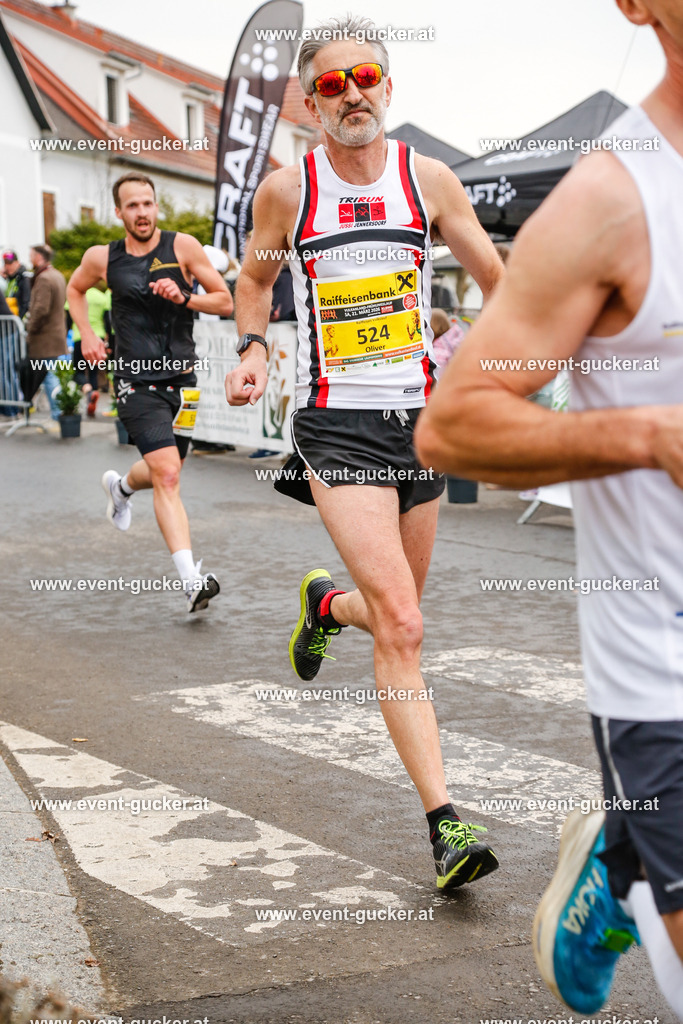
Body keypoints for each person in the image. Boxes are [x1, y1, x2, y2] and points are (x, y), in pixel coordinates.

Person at [415, 0, 683, 1015]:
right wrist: (648, 435)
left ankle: (615, 861)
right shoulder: (608, 201)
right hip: (662, 676)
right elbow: (456, 425)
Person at [225, 14, 505, 890]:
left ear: (389, 87)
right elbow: (255, 280)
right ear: (310, 104)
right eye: (333, 84)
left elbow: (502, 284)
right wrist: (251, 348)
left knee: (392, 615)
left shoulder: (429, 182)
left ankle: (324, 607)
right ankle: (445, 828)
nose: (352, 94)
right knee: (409, 624)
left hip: (419, 423)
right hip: (335, 426)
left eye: (365, 79)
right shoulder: (287, 189)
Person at [67, 172, 233, 613]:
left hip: (183, 380)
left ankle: (121, 488)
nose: (142, 212)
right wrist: (85, 333)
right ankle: (191, 581)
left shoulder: (183, 248)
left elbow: (225, 300)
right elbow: (75, 289)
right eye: (132, 206)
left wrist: (184, 298)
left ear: (156, 206)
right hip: (135, 380)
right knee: (169, 474)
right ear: (118, 212)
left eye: (148, 203)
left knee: (167, 469)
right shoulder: (103, 258)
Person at [26, 245, 67, 423]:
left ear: (38, 257)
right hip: (57, 334)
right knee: (56, 374)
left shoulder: (43, 278)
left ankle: (59, 414)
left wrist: (30, 328)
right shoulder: (57, 275)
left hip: (46, 337)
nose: (30, 258)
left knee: (50, 376)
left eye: (31, 255)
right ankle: (63, 412)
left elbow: (40, 309)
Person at [65, 281, 111, 417]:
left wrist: (65, 335)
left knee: (78, 372)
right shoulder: (101, 297)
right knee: (93, 372)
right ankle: (92, 403)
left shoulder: (75, 295)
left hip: (80, 337)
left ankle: (88, 391)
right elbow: (108, 321)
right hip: (99, 337)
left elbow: (68, 320)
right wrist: (108, 340)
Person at [3, 250, 31, 319]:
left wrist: (19, 320)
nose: (7, 266)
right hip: (10, 320)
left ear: (17, 263)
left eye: (10, 263)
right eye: (5, 263)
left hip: (19, 321)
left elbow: (26, 303)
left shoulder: (24, 278)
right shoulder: (8, 279)